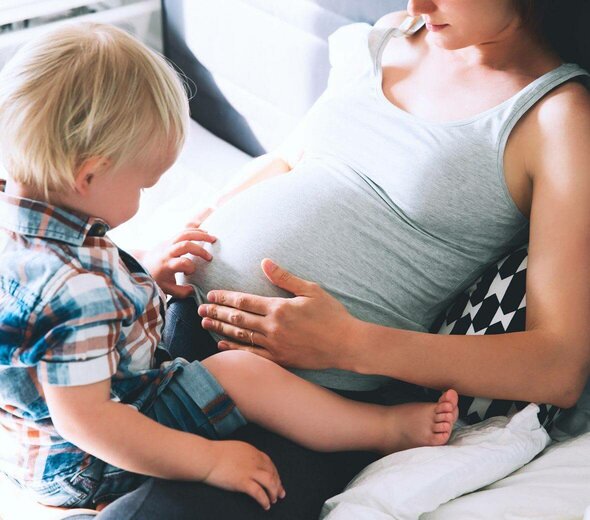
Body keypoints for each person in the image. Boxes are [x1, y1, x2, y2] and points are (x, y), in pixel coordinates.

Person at [116, 0, 590, 518]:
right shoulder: (391, 36)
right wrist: (174, 245)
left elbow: (558, 367)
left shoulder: (557, 119)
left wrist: (351, 344)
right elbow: (289, 159)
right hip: (173, 317)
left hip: (310, 408)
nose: (415, 5)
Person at [0, 22, 461, 512]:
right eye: (142, 185)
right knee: (244, 374)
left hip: (36, 449)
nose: (144, 196)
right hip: (89, 458)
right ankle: (384, 429)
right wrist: (207, 461)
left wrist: (144, 278)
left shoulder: (33, 227)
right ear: (88, 175)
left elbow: (54, 330)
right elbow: (90, 422)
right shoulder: (75, 289)